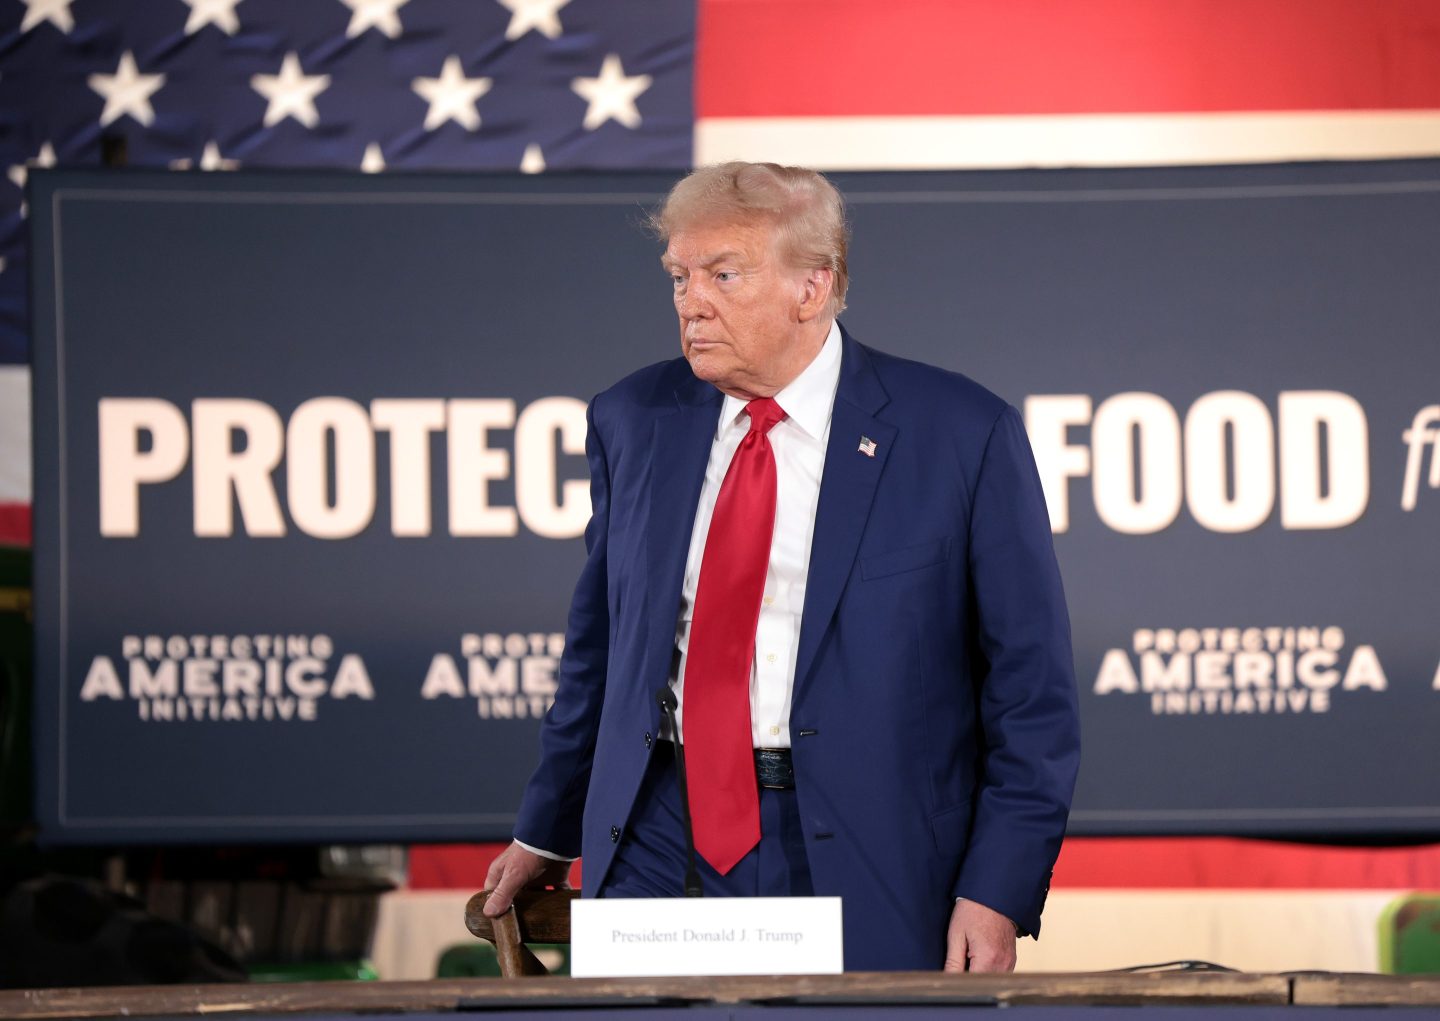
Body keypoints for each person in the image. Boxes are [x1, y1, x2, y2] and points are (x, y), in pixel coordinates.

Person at [483, 162, 1080, 972]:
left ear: (813, 286)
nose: (692, 301)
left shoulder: (960, 434)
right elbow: (599, 652)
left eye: (724, 274)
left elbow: (1030, 691)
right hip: (661, 831)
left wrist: (998, 887)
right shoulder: (632, 419)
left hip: (868, 846)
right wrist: (545, 828)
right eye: (680, 277)